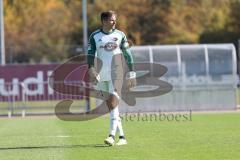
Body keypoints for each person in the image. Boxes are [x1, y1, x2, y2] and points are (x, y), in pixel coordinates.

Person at [87, 10, 136, 146]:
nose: (114, 22)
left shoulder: (120, 35)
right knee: (111, 106)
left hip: (117, 73)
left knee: (114, 102)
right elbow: (91, 54)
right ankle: (122, 137)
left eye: (115, 19)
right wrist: (91, 69)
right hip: (102, 75)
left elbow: (128, 54)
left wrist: (132, 73)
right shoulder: (95, 36)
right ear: (104, 21)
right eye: (112, 20)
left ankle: (110, 136)